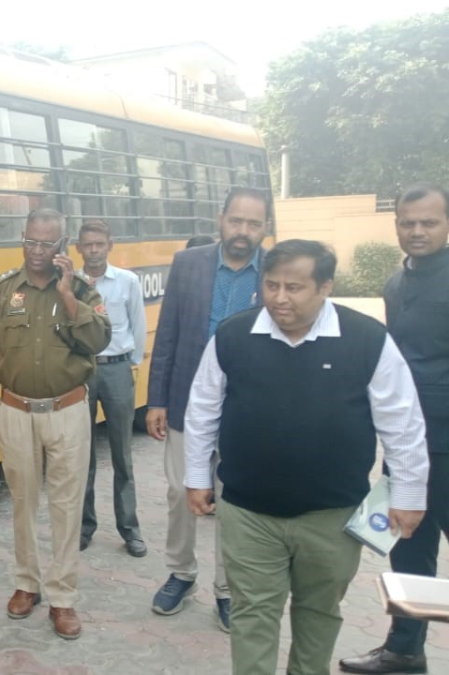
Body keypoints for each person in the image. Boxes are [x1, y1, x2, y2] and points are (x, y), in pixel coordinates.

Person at [186, 239, 428, 675]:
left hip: (331, 517)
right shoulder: (233, 336)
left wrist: (409, 495)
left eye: (294, 287)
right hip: (248, 513)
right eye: (272, 285)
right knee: (253, 613)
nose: (280, 298)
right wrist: (195, 476)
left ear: (325, 287)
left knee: (318, 613)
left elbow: (403, 423)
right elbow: (202, 409)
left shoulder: (367, 339)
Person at [0, 208, 112, 640]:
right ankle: (26, 584)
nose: (37, 251)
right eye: (30, 241)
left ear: (62, 246)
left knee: (66, 505)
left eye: (47, 244)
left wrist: (68, 294)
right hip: (15, 411)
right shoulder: (3, 290)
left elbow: (99, 340)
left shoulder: (82, 290)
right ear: (22, 239)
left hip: (68, 411)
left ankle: (63, 597)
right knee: (23, 502)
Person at [146, 186, 271, 631]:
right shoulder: (189, 264)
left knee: (234, 503)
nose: (243, 231)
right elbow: (168, 334)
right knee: (181, 494)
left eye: (254, 224)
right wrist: (156, 397)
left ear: (265, 228)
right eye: (236, 220)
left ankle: (227, 588)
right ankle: (181, 573)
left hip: (247, 410)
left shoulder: (273, 272)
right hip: (185, 401)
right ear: (221, 219)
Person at [340, 183, 449, 675]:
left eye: (429, 222)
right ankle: (404, 651)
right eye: (409, 222)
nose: (418, 230)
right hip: (407, 447)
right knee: (408, 551)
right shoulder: (394, 283)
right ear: (397, 225)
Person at [76, 219, 148, 557]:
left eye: (98, 244)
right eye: (87, 244)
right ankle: (84, 527)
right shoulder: (71, 283)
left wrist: (128, 364)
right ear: (78, 248)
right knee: (82, 456)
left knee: (122, 454)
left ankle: (130, 529)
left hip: (117, 370)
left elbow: (138, 323)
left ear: (109, 246)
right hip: (82, 371)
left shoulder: (127, 282)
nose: (93, 250)